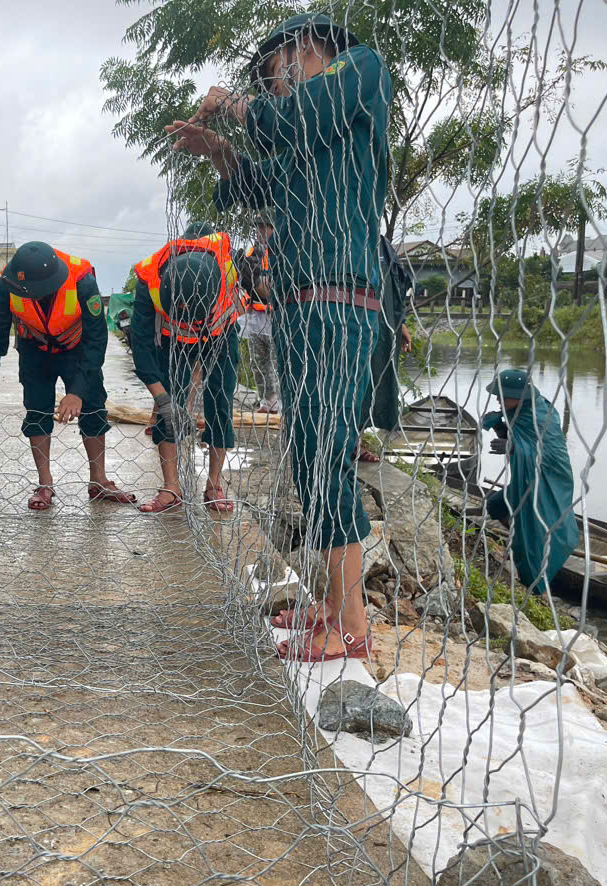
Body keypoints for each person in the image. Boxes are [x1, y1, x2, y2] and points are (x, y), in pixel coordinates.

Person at [166, 13, 391, 660]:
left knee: (327, 458)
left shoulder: (361, 70)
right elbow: (257, 185)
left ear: (306, 49)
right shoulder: (311, 137)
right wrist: (218, 151)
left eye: (277, 77)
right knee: (307, 457)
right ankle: (331, 600)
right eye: (268, 85)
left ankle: (352, 626)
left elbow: (293, 119)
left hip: (338, 296)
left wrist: (237, 107)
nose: (276, 91)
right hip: (296, 302)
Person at [0, 241, 135, 510]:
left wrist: (77, 391)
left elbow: (96, 340)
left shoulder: (82, 280)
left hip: (77, 348)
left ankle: (99, 481)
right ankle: (45, 484)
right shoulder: (8, 283)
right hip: (34, 349)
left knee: (93, 409)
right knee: (36, 410)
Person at [130, 232, 242, 515]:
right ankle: (171, 488)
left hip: (219, 333)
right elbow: (141, 346)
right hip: (172, 340)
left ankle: (214, 484)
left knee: (221, 400)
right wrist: (163, 399)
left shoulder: (230, 271)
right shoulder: (150, 279)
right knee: (168, 405)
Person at [480, 369, 578, 593]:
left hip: (547, 481)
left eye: (502, 395)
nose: (497, 399)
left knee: (537, 530)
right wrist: (503, 430)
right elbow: (521, 437)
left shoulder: (541, 414)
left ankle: (536, 585)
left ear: (520, 396)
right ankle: (518, 535)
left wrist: (514, 447)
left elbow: (550, 453)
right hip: (525, 481)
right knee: (493, 506)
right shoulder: (518, 412)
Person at [354, 237, 415, 463]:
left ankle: (355, 443)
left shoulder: (382, 246)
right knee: (351, 381)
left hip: (382, 326)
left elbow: (393, 291)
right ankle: (340, 443)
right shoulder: (347, 237)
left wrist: (400, 325)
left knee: (374, 384)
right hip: (352, 323)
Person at [238, 216, 279, 415]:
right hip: (255, 314)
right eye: (258, 228)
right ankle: (265, 401)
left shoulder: (281, 251)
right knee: (258, 362)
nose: (260, 231)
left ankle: (277, 404)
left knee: (274, 361)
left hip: (275, 316)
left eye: (265, 227)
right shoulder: (253, 252)